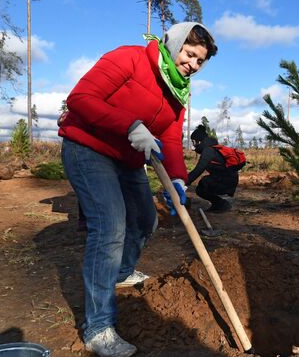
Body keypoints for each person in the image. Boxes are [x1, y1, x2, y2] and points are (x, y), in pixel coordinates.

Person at [58, 22, 217, 357]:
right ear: (174, 46)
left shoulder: (179, 92)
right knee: (110, 226)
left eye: (200, 61)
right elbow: (80, 99)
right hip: (88, 149)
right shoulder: (129, 59)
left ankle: (120, 272)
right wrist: (129, 125)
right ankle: (98, 329)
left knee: (146, 219)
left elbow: (171, 138)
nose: (193, 64)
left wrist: (177, 178)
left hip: (127, 159)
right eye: (190, 54)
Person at [186, 125, 238, 212]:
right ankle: (217, 204)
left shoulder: (208, 151)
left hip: (227, 181)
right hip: (229, 179)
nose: (193, 145)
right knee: (204, 184)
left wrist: (184, 182)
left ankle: (222, 204)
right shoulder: (212, 148)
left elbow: (198, 170)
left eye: (193, 141)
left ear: (199, 141)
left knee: (203, 184)